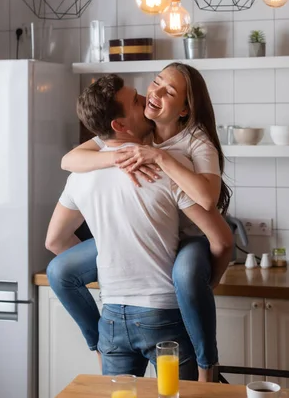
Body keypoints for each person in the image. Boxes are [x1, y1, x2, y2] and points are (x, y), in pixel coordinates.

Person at [48, 62, 232, 381]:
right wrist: (118, 159)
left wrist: (159, 157)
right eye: (152, 86)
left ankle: (206, 363)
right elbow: (68, 160)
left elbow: (207, 199)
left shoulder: (189, 148)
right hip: (158, 312)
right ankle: (100, 345)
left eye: (168, 91)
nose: (150, 95)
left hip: (178, 249)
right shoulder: (113, 157)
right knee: (59, 270)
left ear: (186, 109)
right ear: (120, 125)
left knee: (187, 275)